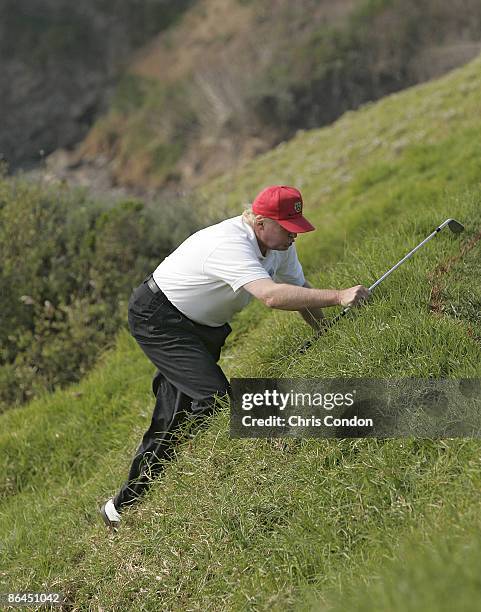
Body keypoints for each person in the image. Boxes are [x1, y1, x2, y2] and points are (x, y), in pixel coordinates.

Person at [100, 185, 369, 529]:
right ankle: (245, 448)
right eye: (288, 228)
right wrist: (339, 295)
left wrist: (328, 333)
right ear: (260, 223)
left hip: (200, 327)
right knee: (213, 399)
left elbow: (300, 295)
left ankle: (120, 508)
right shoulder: (230, 244)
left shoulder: (280, 246)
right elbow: (271, 297)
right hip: (160, 318)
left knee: (174, 418)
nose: (293, 236)